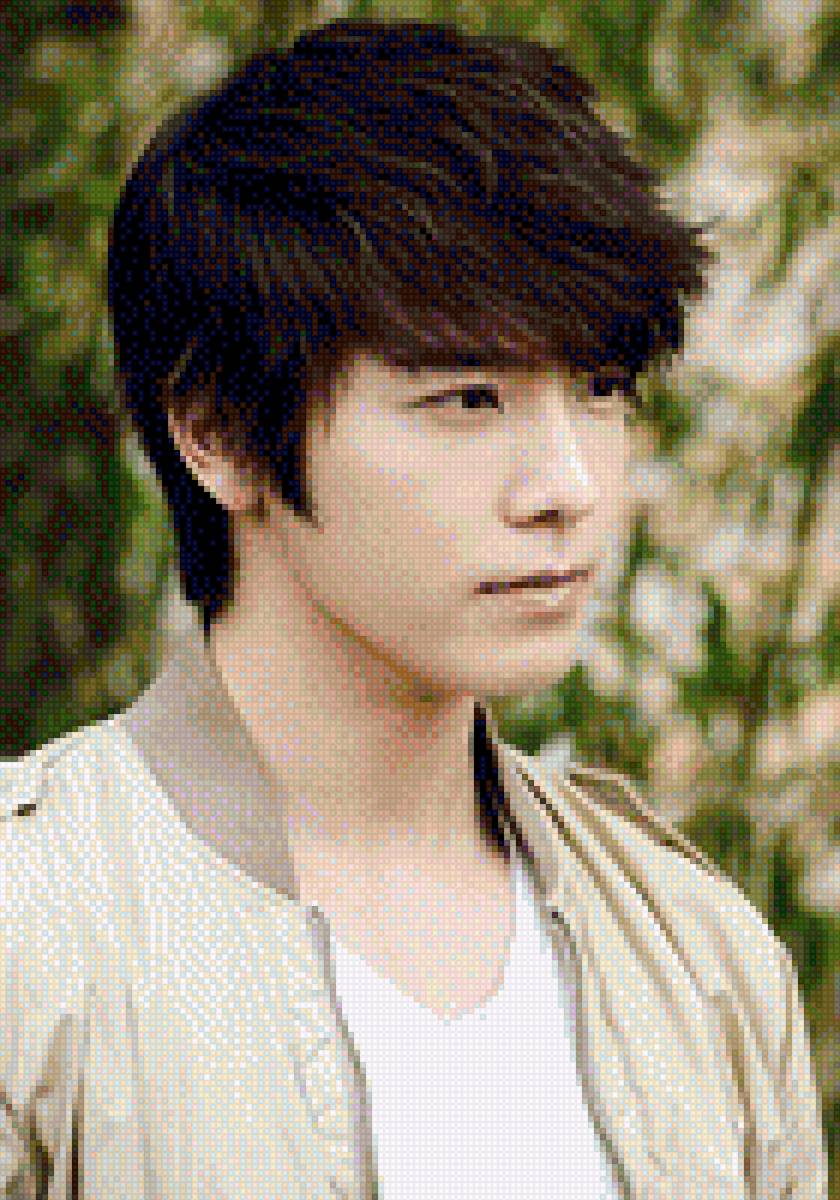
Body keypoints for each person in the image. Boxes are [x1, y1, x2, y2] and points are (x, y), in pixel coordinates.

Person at [1, 17, 828, 1199]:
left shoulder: (698, 956)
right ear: (219, 433)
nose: (568, 487)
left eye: (600, 389)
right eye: (469, 398)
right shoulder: (33, 938)